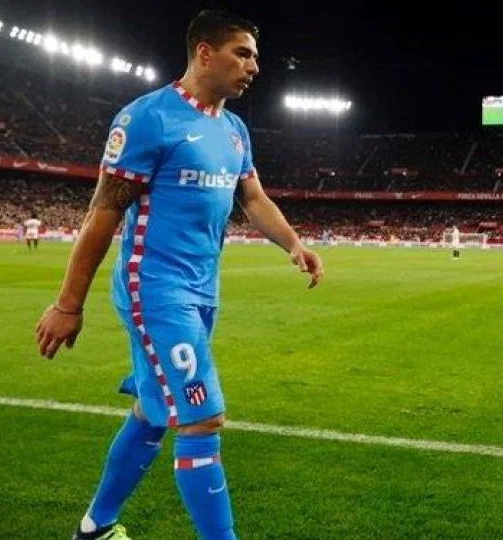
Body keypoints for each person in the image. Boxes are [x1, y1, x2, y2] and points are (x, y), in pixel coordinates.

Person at [34, 10, 323, 540]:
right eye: (243, 53)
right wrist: (68, 304)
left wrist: (293, 243)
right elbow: (103, 213)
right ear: (204, 53)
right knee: (202, 418)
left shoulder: (233, 130)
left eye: (255, 56)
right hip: (156, 289)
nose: (255, 66)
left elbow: (253, 199)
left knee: (151, 412)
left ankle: (94, 528)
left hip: (201, 291)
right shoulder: (148, 119)